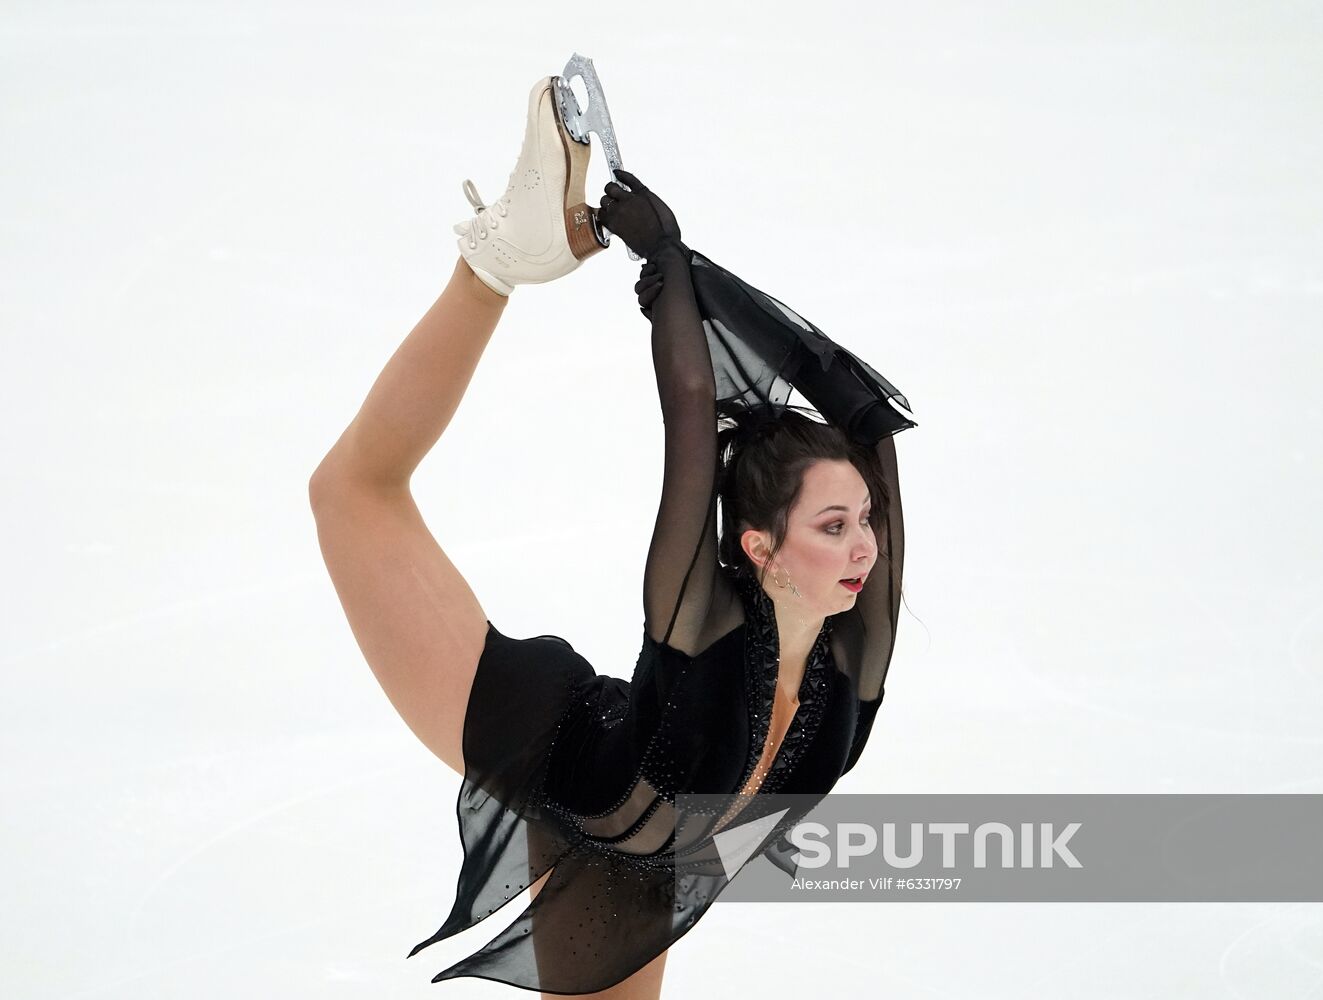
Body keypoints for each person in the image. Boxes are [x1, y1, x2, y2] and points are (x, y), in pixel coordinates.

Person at [309, 76, 917, 999]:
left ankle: (512, 253)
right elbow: (689, 418)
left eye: (863, 521)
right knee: (351, 491)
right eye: (833, 527)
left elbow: (869, 431)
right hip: (546, 746)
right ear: (758, 547)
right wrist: (669, 269)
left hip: (639, 866)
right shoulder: (701, 620)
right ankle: (496, 261)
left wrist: (704, 279)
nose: (866, 548)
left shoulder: (856, 651)